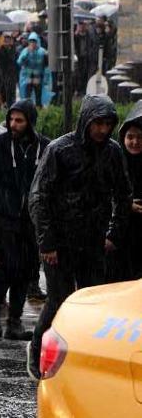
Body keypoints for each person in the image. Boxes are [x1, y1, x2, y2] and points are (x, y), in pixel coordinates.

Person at [27, 95, 132, 379]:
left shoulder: (112, 152)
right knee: (59, 300)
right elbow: (39, 197)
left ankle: (84, 358)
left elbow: (124, 195)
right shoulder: (59, 150)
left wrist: (113, 234)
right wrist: (46, 242)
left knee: (92, 304)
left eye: (108, 124)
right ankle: (38, 354)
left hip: (94, 241)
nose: (102, 129)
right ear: (87, 121)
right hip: (59, 242)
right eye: (98, 123)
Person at [0, 100, 50, 341]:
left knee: (26, 270)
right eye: (11, 120)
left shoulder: (45, 148)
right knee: (7, 268)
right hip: (3, 219)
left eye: (20, 120)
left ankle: (14, 321)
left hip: (30, 222)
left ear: (30, 122)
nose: (14, 125)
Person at [119, 103, 142, 279]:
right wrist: (126, 204)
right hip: (121, 236)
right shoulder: (115, 161)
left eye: (140, 137)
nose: (135, 142)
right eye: (130, 137)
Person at [18, 32, 48, 108]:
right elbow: (19, 62)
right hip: (28, 76)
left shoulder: (42, 51)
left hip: (38, 76)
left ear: (37, 41)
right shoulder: (25, 50)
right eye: (31, 41)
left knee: (38, 95)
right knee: (27, 95)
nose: (32, 43)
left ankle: (39, 108)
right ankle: (27, 108)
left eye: (34, 41)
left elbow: (46, 64)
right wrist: (26, 54)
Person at [0, 34, 18, 108]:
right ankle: (5, 105)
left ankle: (12, 105)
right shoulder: (1, 49)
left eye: (9, 40)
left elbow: (14, 59)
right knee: (4, 91)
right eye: (6, 40)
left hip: (12, 74)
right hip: (3, 74)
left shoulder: (14, 49)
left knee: (12, 92)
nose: (7, 42)